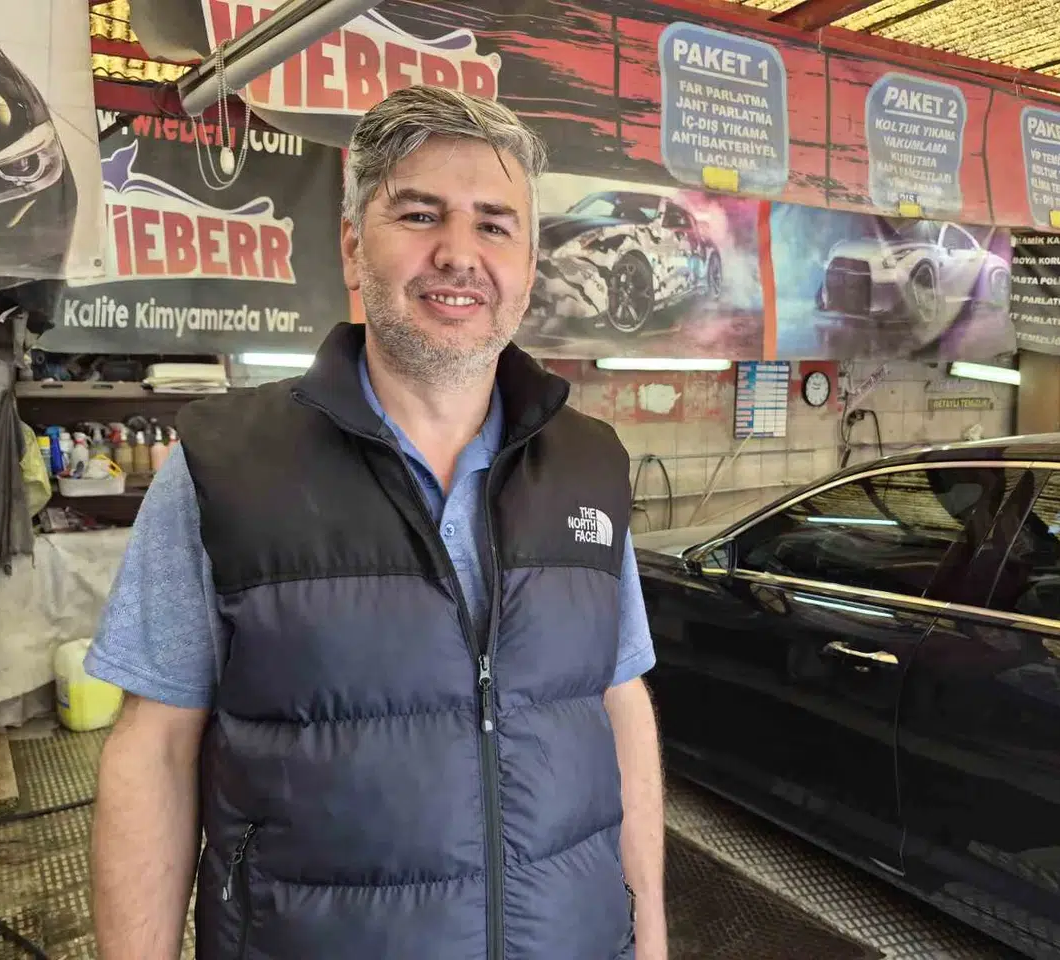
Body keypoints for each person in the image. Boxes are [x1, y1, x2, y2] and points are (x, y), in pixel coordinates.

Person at [85, 86, 666, 960]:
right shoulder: (225, 465)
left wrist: (650, 941)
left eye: (494, 224)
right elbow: (154, 751)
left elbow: (619, 707)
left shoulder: (591, 465)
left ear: (529, 263)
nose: (458, 253)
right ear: (354, 245)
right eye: (420, 214)